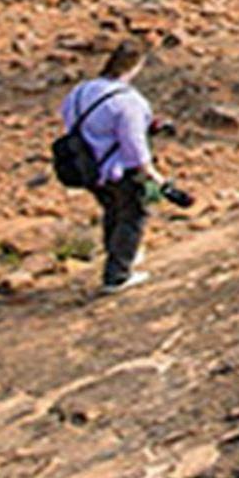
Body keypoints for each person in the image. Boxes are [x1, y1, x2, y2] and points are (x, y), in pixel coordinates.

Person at [58, 41, 165, 295]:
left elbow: (69, 119)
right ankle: (117, 274)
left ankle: (119, 256)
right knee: (133, 215)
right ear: (135, 66)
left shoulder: (80, 92)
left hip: (86, 167)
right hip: (118, 168)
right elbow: (133, 142)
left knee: (112, 211)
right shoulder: (128, 101)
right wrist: (150, 171)